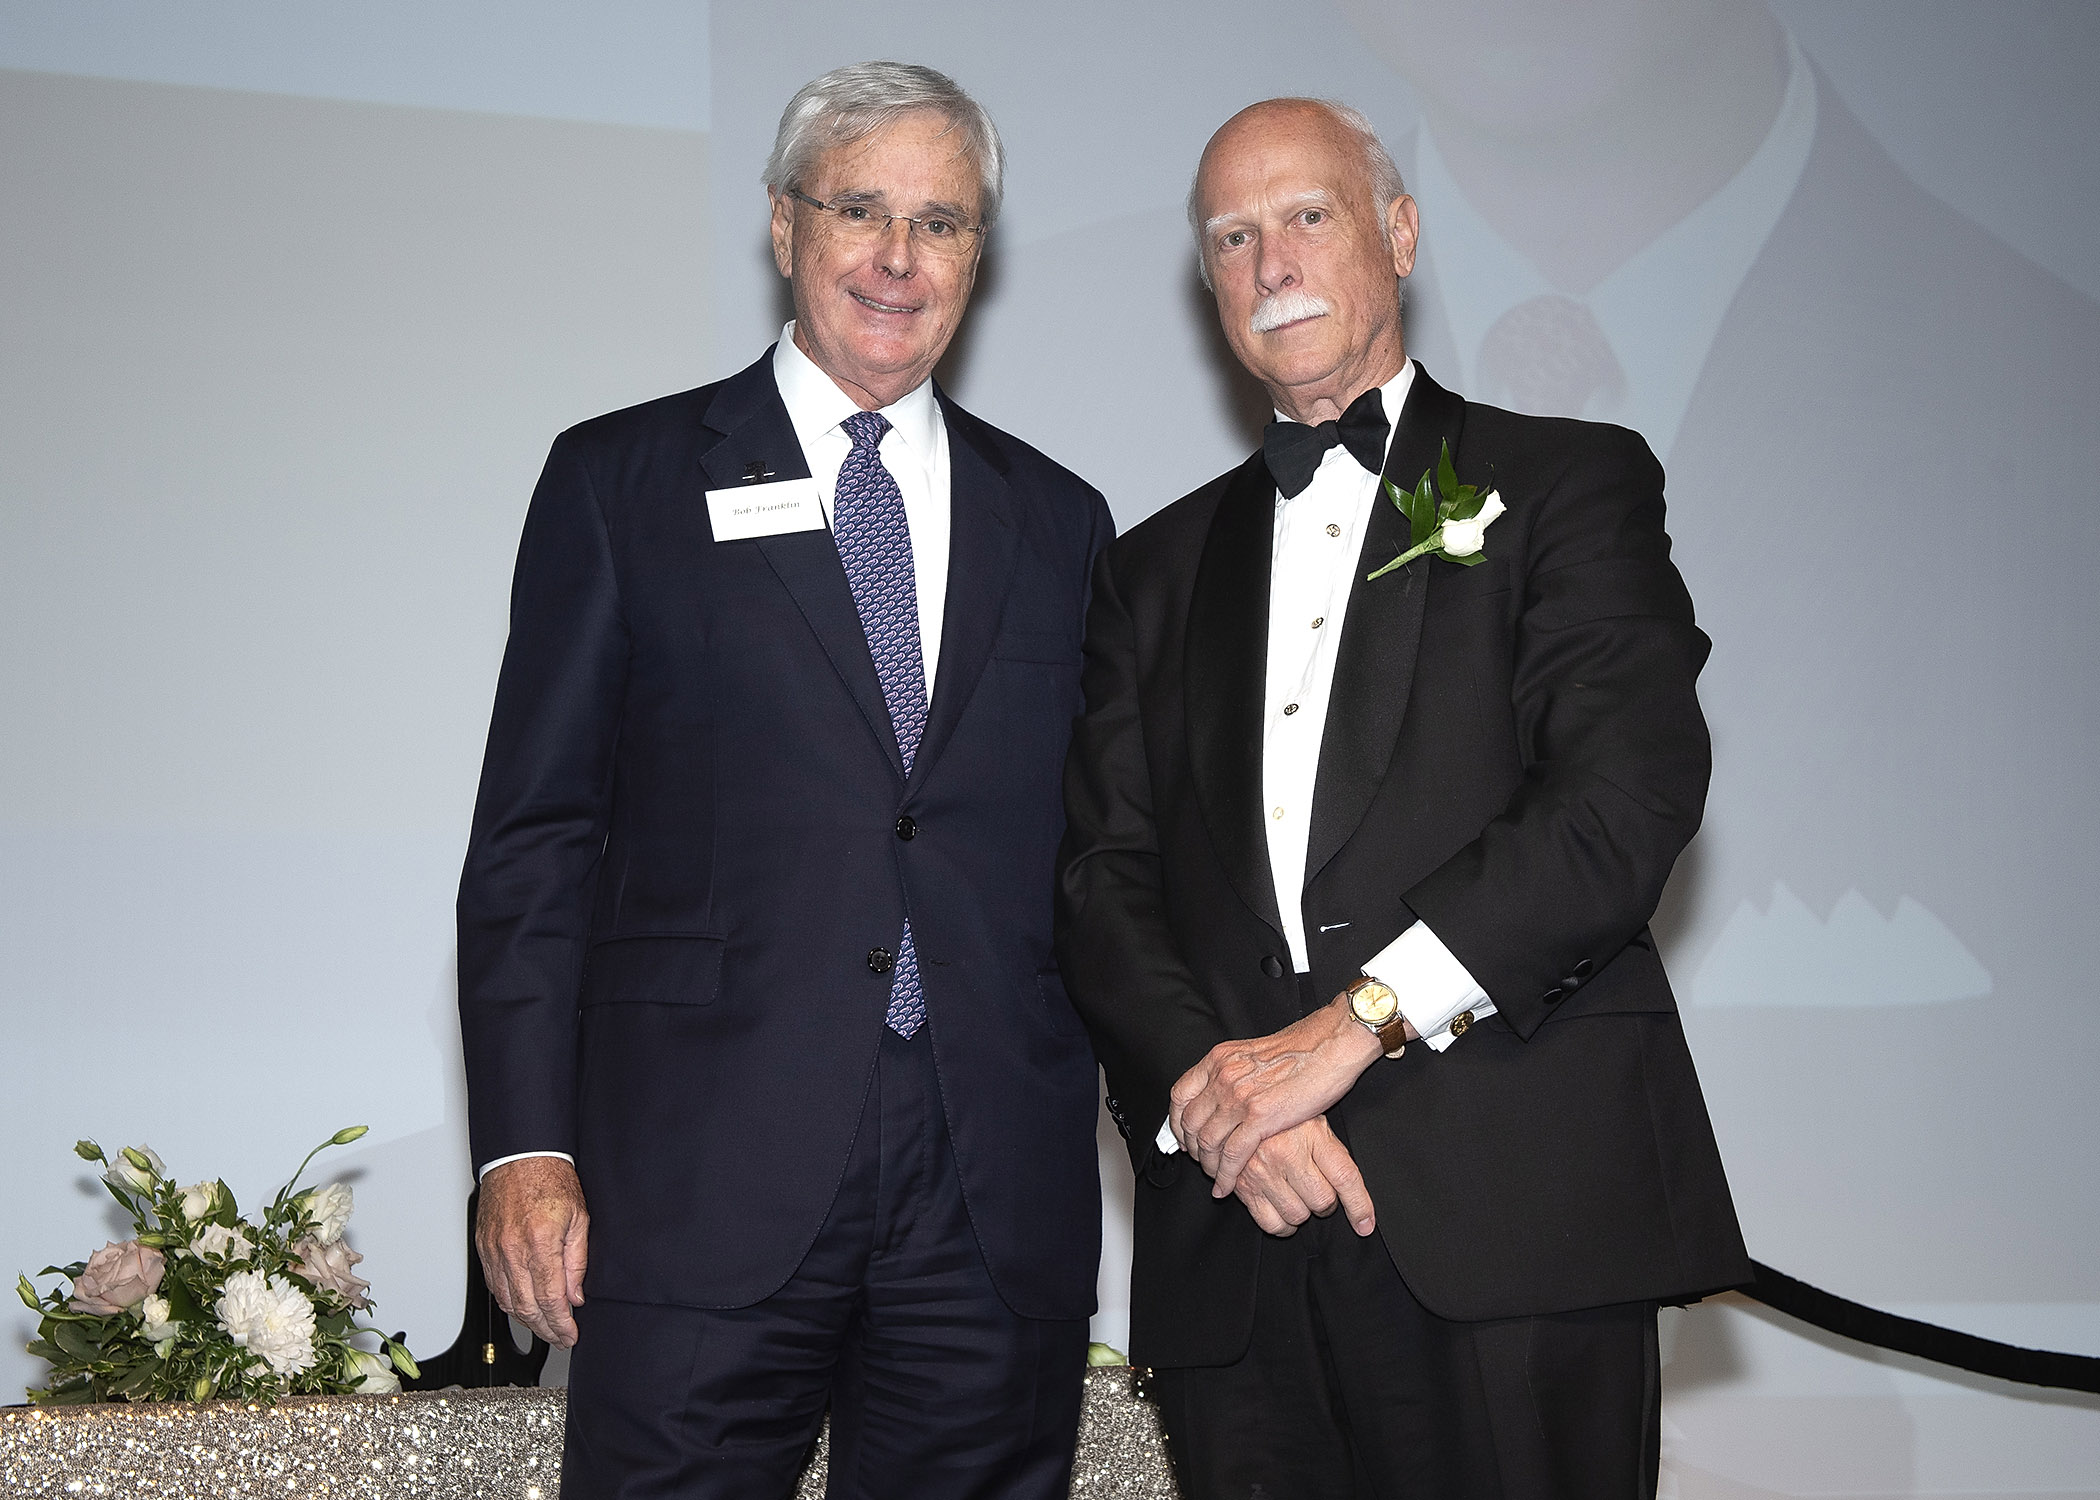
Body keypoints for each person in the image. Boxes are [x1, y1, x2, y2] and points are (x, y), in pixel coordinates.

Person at [1056, 97, 1750, 1498]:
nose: (1271, 262)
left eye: (1307, 216)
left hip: (1513, 1224)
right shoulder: (1150, 569)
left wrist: (1353, 1028)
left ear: (1402, 235)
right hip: (1240, 1241)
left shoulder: (1566, 482)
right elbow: (1098, 880)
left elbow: (1622, 796)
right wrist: (1223, 1107)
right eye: (1232, 237)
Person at [457, 61, 1111, 1500]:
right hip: (697, 1175)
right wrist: (523, 1148)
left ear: (979, 256)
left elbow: (1102, 857)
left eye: (941, 222)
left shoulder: (1061, 523)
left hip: (987, 1188)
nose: (897, 257)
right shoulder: (622, 481)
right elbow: (535, 843)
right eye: (859, 209)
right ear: (781, 225)